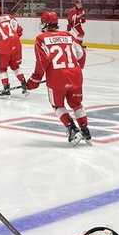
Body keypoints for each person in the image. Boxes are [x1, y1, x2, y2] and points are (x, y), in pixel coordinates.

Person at [26, 10, 90, 144]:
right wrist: (77, 68)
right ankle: (85, 129)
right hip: (76, 75)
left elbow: (42, 62)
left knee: (57, 105)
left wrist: (34, 81)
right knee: (76, 104)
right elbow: (81, 54)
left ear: (45, 23)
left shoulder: (41, 39)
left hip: (57, 78)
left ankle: (72, 129)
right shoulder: (68, 35)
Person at [0, 2, 27, 96]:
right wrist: (12, 41)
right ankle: (24, 84)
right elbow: (19, 31)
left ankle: (6, 89)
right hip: (16, 44)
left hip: (3, 48)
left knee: (2, 69)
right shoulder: (9, 17)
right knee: (15, 66)